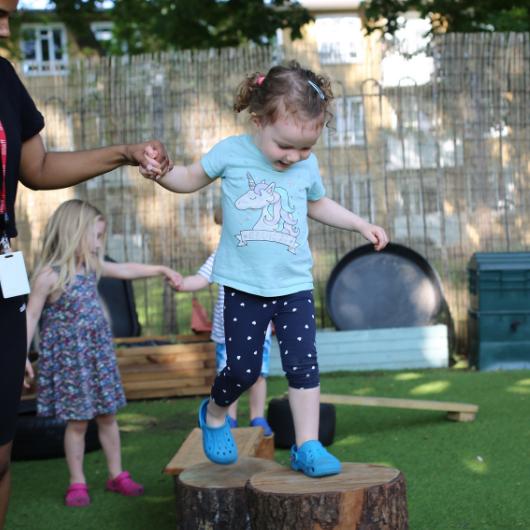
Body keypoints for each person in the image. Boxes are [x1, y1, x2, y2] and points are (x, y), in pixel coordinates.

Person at [142, 61, 389, 478]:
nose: (294, 158)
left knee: (303, 367)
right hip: (244, 286)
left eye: (306, 149)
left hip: (293, 286)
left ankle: (307, 446)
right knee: (241, 369)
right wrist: (163, 173)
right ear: (259, 121)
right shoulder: (231, 153)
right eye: (285, 147)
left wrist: (360, 223)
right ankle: (216, 414)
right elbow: (187, 178)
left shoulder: (303, 167)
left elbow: (317, 203)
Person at [0, 1, 171, 524]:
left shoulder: (3, 78)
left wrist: (122, 152)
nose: (6, 27)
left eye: (9, 13)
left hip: (0, 270)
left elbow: (40, 166)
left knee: (0, 455)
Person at [24, 199, 181, 507]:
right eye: (95, 237)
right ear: (74, 234)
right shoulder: (50, 275)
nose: (99, 244)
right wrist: (21, 358)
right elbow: (30, 316)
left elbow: (124, 269)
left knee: (108, 417)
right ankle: (77, 481)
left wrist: (160, 268)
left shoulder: (92, 266)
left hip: (97, 358)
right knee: (78, 422)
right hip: (72, 363)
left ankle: (116, 474)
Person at [176, 208, 273, 436]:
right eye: (224, 228)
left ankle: (257, 417)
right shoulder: (221, 254)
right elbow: (201, 279)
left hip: (259, 330)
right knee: (230, 375)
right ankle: (229, 418)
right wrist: (182, 283)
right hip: (227, 332)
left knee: (258, 376)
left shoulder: (262, 253)